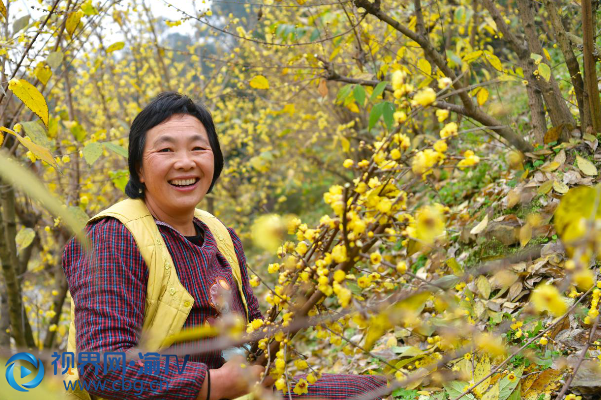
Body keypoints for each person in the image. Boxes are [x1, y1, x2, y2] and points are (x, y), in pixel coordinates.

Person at [62, 92, 386, 400]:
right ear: (138, 169)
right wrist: (211, 385)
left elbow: (252, 327)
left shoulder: (220, 234)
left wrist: (268, 356)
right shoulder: (112, 238)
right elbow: (102, 365)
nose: (185, 162)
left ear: (214, 159)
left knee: (383, 389)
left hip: (240, 392)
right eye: (166, 150)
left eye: (198, 148)